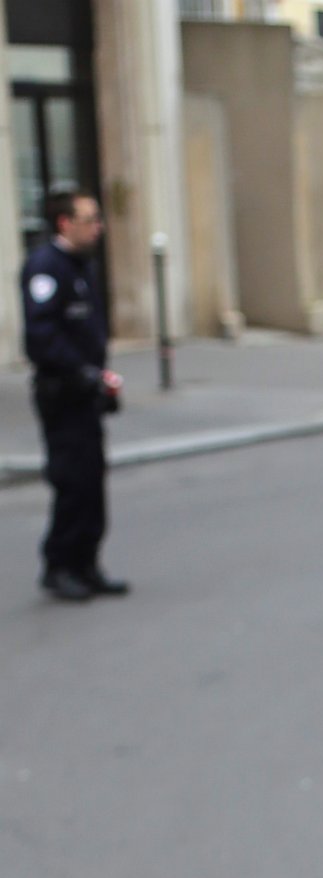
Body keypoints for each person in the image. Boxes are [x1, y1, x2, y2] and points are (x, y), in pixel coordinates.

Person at [20, 190, 127, 604]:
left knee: (91, 481)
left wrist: (98, 376)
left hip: (86, 390)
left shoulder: (83, 266)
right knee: (72, 481)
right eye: (89, 219)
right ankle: (59, 565)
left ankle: (86, 563)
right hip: (62, 393)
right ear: (65, 223)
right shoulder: (46, 267)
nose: (98, 226)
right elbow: (41, 337)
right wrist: (79, 371)